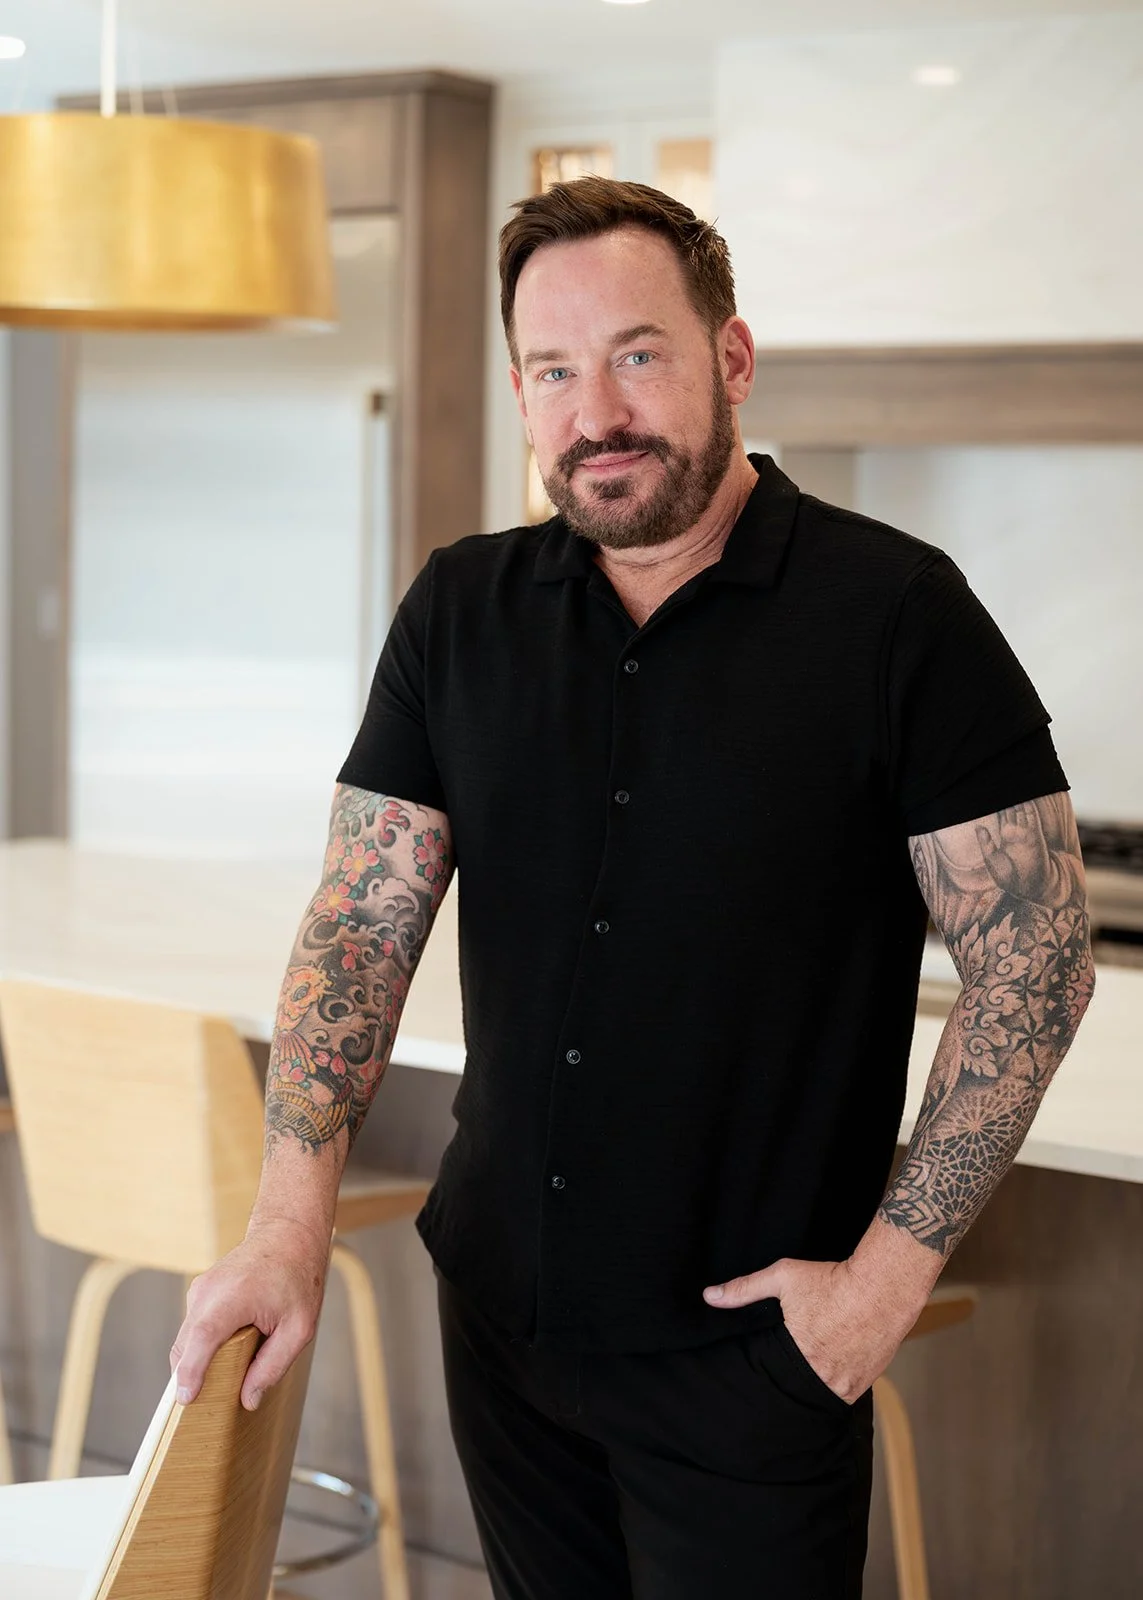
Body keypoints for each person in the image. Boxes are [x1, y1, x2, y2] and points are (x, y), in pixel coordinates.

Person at [171, 178, 1095, 1598]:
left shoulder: (899, 616)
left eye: (636, 355)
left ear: (729, 360)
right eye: (551, 370)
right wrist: (284, 1233)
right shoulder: (457, 609)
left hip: (751, 1354)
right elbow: (360, 923)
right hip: (500, 1325)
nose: (592, 410)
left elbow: (1035, 959)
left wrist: (876, 1294)